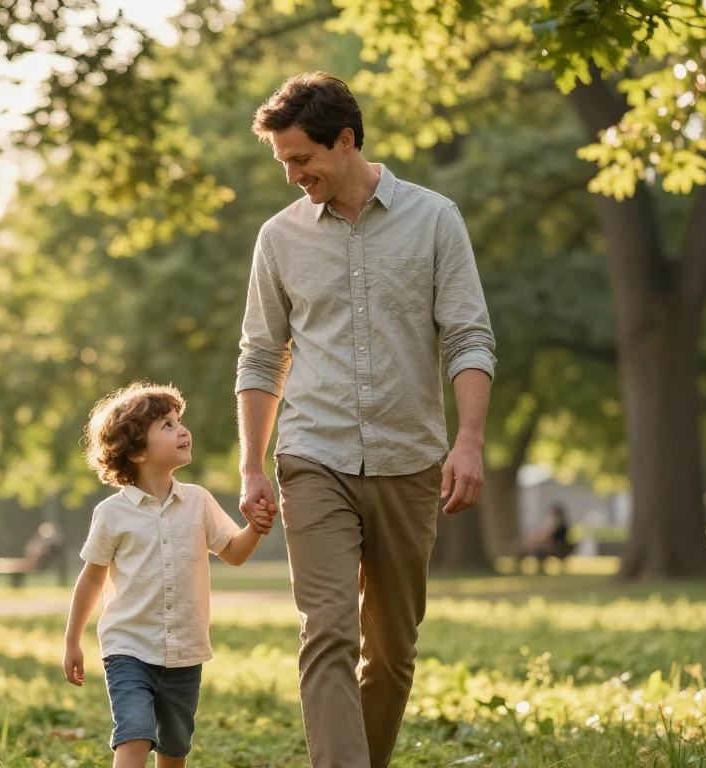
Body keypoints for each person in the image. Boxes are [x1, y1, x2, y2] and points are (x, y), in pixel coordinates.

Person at [236, 73, 496, 767]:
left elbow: (468, 336)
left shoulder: (435, 219)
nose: (294, 176)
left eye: (301, 159)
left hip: (410, 459)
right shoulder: (278, 239)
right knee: (327, 634)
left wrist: (468, 442)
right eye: (284, 162)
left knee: (391, 651)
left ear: (346, 140)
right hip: (312, 456)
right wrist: (253, 466)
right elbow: (261, 357)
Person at [62, 382, 273, 768]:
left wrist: (255, 528)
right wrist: (72, 640)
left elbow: (235, 554)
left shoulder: (198, 501)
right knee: (135, 733)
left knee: (174, 750)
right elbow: (91, 579)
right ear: (138, 451)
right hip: (128, 649)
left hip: (185, 652)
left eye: (180, 421)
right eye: (167, 425)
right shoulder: (112, 514)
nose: (183, 430)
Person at [522, 503, 573, 569]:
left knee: (537, 549)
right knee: (532, 546)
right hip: (560, 548)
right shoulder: (563, 525)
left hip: (557, 549)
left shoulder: (558, 525)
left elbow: (548, 537)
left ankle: (539, 568)